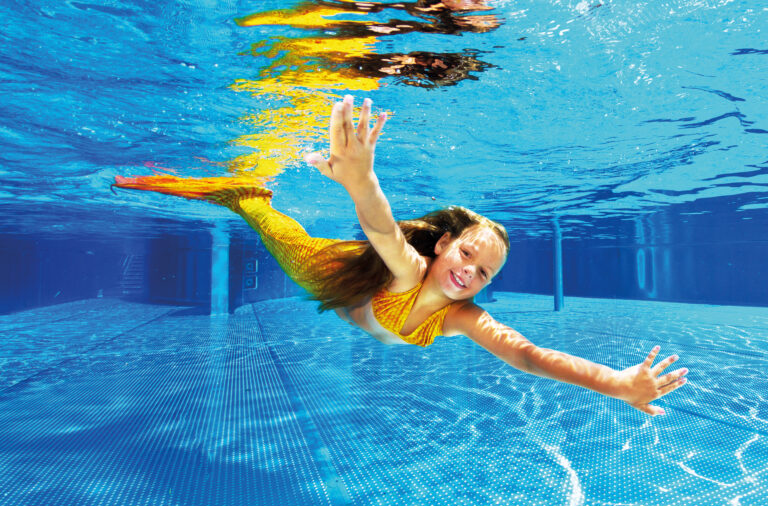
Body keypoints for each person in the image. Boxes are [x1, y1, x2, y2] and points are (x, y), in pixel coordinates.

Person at [113, 95, 688, 417]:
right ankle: (243, 193)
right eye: (467, 254)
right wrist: (361, 181)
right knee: (264, 218)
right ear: (442, 245)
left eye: (485, 272)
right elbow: (383, 231)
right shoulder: (411, 268)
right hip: (329, 270)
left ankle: (248, 196)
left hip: (356, 285)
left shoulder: (464, 317)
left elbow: (529, 357)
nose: (471, 272)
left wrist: (617, 382)